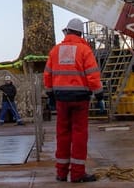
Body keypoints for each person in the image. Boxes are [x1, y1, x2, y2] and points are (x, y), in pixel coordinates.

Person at [44, 18, 103, 183]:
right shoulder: (84, 50)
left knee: (62, 134)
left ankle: (61, 173)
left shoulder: (55, 51)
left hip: (61, 100)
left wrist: (50, 95)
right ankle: (77, 174)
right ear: (80, 33)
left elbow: (47, 75)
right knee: (79, 135)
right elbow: (92, 75)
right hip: (80, 100)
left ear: (67, 31)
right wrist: (99, 96)